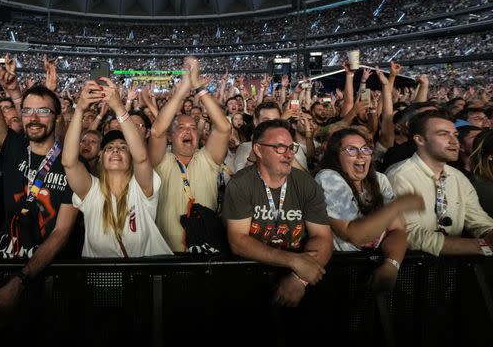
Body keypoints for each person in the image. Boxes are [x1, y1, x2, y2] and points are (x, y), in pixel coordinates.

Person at [0, 0, 77, 322]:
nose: (34, 117)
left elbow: (62, 232)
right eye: (28, 111)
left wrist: (21, 281)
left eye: (43, 111)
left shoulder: (70, 164)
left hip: (43, 278)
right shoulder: (11, 147)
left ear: (55, 117)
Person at [388, 111, 493, 258]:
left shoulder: (457, 177)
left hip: (451, 268)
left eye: (455, 135)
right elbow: (408, 234)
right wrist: (485, 246)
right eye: (443, 134)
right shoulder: (400, 176)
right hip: (412, 270)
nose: (454, 141)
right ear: (420, 140)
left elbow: (478, 221)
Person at [222, 119, 332, 307]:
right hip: (250, 278)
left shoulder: (306, 184)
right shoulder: (241, 184)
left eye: (291, 148)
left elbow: (322, 237)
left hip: (297, 281)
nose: (289, 154)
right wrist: (294, 261)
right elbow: (238, 241)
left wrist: (299, 279)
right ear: (258, 150)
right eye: (280, 148)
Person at [62, 78, 171, 257]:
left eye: (123, 147)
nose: (115, 150)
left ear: (130, 156)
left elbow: (142, 158)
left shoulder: (141, 188)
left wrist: (119, 107)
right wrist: (79, 109)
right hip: (100, 284)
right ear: (101, 156)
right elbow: (69, 162)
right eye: (109, 148)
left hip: (142, 282)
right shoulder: (91, 191)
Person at [315, 129, 424, 292]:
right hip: (341, 273)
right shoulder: (328, 177)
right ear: (336, 156)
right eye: (351, 150)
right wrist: (397, 206)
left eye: (365, 149)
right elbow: (354, 234)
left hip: (377, 267)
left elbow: (398, 230)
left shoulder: (380, 180)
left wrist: (391, 264)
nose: (360, 155)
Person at [149, 56, 231, 252]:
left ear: (200, 133)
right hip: (165, 253)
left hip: (206, 253)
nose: (188, 131)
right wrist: (183, 89)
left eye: (193, 127)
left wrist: (198, 88)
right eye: (180, 128)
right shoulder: (160, 161)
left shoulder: (208, 160)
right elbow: (156, 131)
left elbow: (224, 127)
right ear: (170, 137)